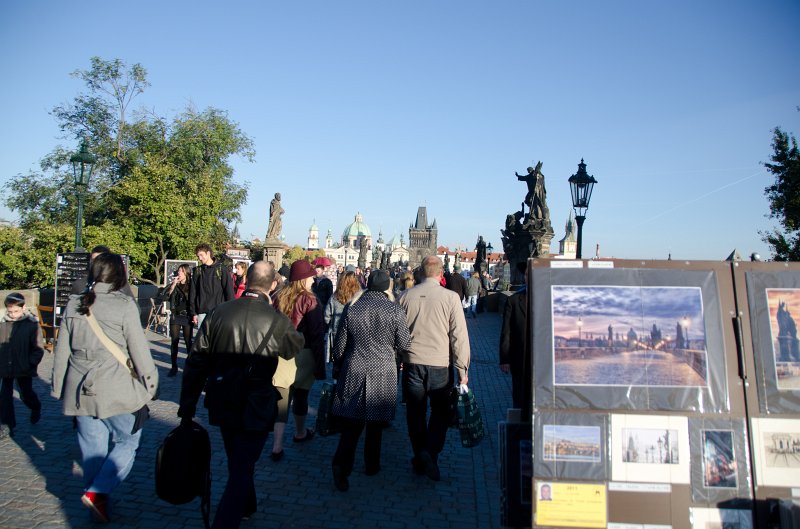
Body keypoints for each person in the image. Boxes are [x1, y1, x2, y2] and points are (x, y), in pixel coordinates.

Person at [178, 261, 304, 529]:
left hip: (222, 396)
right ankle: (225, 522)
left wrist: (187, 406)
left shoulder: (218, 312)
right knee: (243, 464)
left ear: (246, 280)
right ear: (273, 285)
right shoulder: (277, 320)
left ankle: (247, 504)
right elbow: (293, 349)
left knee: (239, 459)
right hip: (257, 400)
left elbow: (196, 361)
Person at [52, 253, 159, 523]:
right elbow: (139, 352)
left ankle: (98, 501)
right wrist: (151, 383)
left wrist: (58, 387)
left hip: (79, 389)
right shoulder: (123, 305)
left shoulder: (74, 303)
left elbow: (62, 350)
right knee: (128, 440)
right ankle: (98, 493)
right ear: (119, 275)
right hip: (116, 388)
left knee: (92, 449)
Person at [330, 270, 411, 491]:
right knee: (375, 423)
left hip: (355, 366)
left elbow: (339, 346)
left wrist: (339, 363)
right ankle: (371, 464)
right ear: (386, 287)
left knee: (352, 423)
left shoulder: (353, 307)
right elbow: (404, 343)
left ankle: (341, 463)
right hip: (383, 369)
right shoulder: (394, 309)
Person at [398, 256, 470, 482]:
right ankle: (430, 452)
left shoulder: (404, 296)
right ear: (441, 274)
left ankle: (420, 455)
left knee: (415, 412)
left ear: (421, 273)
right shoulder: (451, 298)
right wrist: (462, 368)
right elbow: (459, 336)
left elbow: (397, 332)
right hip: (440, 364)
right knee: (441, 412)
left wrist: (400, 356)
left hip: (412, 363)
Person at [270, 259, 326, 460]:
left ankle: (277, 444)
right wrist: (320, 366)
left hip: (280, 353)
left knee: (282, 400)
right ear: (303, 279)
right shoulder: (311, 300)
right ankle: (300, 432)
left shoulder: (278, 297)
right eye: (310, 276)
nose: (313, 279)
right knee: (301, 396)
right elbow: (317, 334)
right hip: (304, 353)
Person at [0, 293, 44, 439]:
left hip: (23, 367)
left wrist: (30, 364)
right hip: (5, 366)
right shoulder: (3, 324)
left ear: (23, 308)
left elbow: (38, 349)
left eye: (16, 311)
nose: (13, 315)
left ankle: (35, 406)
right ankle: (7, 425)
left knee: (26, 393)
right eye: (10, 312)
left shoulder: (31, 325)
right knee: (5, 396)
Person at [159, 264, 193, 377]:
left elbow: (193, 300)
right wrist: (173, 286)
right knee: (174, 341)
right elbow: (164, 297)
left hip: (187, 315)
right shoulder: (173, 284)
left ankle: (190, 366)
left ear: (186, 273)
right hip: (175, 315)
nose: (179, 273)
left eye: (182, 271)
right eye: (178, 271)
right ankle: (174, 366)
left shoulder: (191, 285)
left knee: (188, 342)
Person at [189, 243, 234, 328]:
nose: (200, 258)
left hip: (219, 312)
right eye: (198, 256)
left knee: (217, 339)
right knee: (202, 340)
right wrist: (193, 312)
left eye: (201, 255)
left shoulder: (222, 269)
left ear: (208, 253)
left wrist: (230, 312)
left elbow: (229, 291)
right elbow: (193, 293)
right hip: (202, 311)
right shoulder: (198, 271)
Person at [500, 273, 528, 409]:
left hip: (542, 362)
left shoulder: (548, 299)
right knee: (519, 398)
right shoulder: (514, 300)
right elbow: (506, 331)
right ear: (525, 277)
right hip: (519, 358)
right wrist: (505, 359)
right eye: (527, 275)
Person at [324, 271, 361, 363]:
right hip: (355, 332)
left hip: (336, 332)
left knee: (337, 362)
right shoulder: (359, 298)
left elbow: (326, 316)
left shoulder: (334, 298)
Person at [71, 245, 135, 298]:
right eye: (94, 260)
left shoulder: (120, 285)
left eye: (101, 260)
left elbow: (134, 308)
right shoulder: (80, 284)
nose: (97, 263)